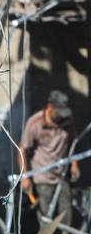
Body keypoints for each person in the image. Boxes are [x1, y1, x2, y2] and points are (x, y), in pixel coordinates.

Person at [20, 90, 80, 225]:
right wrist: (25, 177)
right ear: (50, 107)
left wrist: (74, 164)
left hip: (62, 175)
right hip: (42, 176)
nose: (61, 117)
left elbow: (73, 142)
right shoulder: (35, 123)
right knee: (45, 218)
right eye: (59, 113)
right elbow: (22, 150)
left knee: (65, 213)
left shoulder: (67, 121)